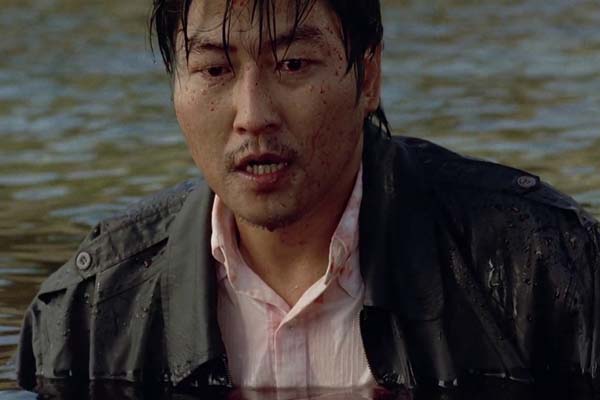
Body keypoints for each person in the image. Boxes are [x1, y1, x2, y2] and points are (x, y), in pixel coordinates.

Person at [15, 0, 600, 396]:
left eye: (293, 63)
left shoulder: (541, 269)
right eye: (214, 70)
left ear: (368, 75)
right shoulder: (90, 318)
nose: (253, 116)